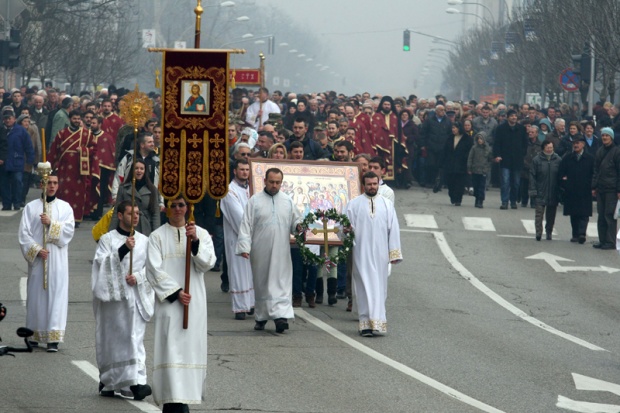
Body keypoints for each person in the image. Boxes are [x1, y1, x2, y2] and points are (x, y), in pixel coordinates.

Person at [146, 196, 216, 413]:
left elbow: (208, 263)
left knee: (190, 349)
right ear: (167, 208)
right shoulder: (157, 236)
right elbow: (153, 270)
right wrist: (176, 292)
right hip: (170, 302)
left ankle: (184, 398)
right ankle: (172, 400)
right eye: (173, 205)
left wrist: (194, 243)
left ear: (188, 207)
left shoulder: (200, 233)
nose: (177, 209)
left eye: (181, 205)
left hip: (193, 302)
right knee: (170, 349)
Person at [92, 201, 154, 400]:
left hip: (135, 297)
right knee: (114, 340)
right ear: (120, 216)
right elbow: (100, 264)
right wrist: (123, 249)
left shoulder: (144, 241)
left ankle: (137, 382)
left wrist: (139, 277)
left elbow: (151, 268)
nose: (135, 217)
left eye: (137, 213)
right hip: (114, 302)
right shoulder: (107, 239)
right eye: (130, 213)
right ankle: (109, 381)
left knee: (134, 338)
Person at [236, 168, 302, 333]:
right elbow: (246, 225)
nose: (274, 185)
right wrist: (244, 246)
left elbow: (296, 221)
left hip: (282, 250)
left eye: (278, 182)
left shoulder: (287, 201)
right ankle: (261, 317)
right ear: (265, 181)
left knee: (281, 282)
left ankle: (281, 318)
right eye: (271, 182)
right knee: (263, 283)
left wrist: (299, 227)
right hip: (261, 250)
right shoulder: (254, 201)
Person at [18, 173, 75, 352]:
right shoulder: (31, 207)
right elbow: (24, 234)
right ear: (42, 184)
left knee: (56, 295)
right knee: (36, 296)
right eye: (49, 182)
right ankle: (33, 334)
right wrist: (36, 250)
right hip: (38, 259)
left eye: (55, 183)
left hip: (57, 259)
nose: (52, 186)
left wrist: (51, 223)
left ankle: (53, 338)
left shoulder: (65, 208)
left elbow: (69, 231)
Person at [343, 171, 402, 337]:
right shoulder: (353, 205)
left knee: (379, 288)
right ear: (363, 185)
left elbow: (394, 229)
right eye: (369, 184)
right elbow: (343, 229)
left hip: (381, 255)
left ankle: (378, 322)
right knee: (363, 287)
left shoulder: (387, 205)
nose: (372, 187)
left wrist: (394, 253)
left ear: (378, 184)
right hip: (361, 253)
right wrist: (346, 231)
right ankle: (365, 324)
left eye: (375, 184)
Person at [220, 159, 255, 320]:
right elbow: (239, 218)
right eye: (242, 169)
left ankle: (251, 303)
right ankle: (240, 307)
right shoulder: (229, 191)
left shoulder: (252, 188)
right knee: (239, 272)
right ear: (235, 171)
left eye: (247, 169)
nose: (245, 172)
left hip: (253, 236)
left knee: (252, 272)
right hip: (237, 237)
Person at [48, 110, 96, 224]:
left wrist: (84, 150)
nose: (77, 121)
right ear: (70, 119)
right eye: (74, 119)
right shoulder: (62, 133)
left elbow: (94, 149)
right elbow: (54, 152)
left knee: (78, 194)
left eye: (78, 119)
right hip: (64, 169)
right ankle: (61, 218)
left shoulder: (87, 134)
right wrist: (49, 167)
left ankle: (76, 218)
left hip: (79, 170)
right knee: (63, 193)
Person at [559, 137, 595, 244]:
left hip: (585, 190)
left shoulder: (590, 158)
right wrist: (565, 183)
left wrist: (593, 186)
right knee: (573, 213)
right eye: (574, 143)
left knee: (584, 213)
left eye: (578, 143)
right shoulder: (567, 158)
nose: (575, 145)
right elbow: (561, 173)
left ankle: (582, 233)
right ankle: (575, 234)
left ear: (583, 144)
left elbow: (594, 173)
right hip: (571, 190)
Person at [110, 160, 160, 236]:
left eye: (142, 168)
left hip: (145, 228)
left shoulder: (152, 189)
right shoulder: (123, 188)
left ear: (145, 171)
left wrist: (156, 233)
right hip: (126, 225)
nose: (139, 171)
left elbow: (155, 213)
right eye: (136, 168)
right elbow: (117, 210)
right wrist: (111, 232)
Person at [591, 127, 620, 250]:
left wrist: (619, 190)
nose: (604, 137)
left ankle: (610, 241)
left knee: (609, 215)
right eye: (603, 135)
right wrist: (594, 186)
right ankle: (602, 240)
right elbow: (596, 170)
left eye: (607, 135)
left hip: (612, 189)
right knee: (601, 215)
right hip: (601, 188)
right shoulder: (600, 151)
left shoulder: (617, 152)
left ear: (611, 137)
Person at [1, 107, 34, 211]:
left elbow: (28, 146)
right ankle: (6, 204)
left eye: (9, 118)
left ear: (14, 119)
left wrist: (30, 160)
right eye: (5, 118)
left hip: (17, 161)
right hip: (3, 162)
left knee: (17, 182)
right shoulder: (1, 130)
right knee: (4, 184)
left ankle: (17, 203)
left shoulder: (21, 131)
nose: (7, 120)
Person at [493, 109, 528, 209]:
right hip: (505, 159)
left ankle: (513, 201)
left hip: (517, 160)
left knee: (516, 183)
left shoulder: (521, 128)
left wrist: (522, 153)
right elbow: (497, 143)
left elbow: (525, 143)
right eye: (512, 116)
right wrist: (497, 155)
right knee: (505, 181)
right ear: (508, 117)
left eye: (515, 116)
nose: (514, 117)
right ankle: (504, 201)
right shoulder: (501, 128)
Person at [529, 141, 561, 241]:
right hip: (540, 190)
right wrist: (533, 190)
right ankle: (538, 232)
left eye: (551, 147)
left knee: (551, 215)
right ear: (543, 148)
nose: (549, 149)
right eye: (548, 148)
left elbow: (561, 176)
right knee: (539, 214)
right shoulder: (536, 160)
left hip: (553, 191)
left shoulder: (558, 160)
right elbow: (532, 175)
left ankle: (549, 232)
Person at [442, 121, 473, 206]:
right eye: (452, 128)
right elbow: (445, 150)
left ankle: (458, 199)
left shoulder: (467, 138)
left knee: (460, 183)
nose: (453, 129)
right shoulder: (450, 138)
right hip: (450, 164)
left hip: (462, 164)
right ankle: (452, 196)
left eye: (455, 128)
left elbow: (470, 152)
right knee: (450, 182)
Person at [467, 132, 493, 208]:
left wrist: (487, 167)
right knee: (476, 185)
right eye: (478, 138)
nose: (479, 140)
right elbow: (470, 158)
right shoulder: (474, 148)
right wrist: (469, 167)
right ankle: (476, 198)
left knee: (482, 186)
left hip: (483, 170)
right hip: (475, 170)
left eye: (481, 139)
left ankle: (480, 200)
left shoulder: (488, 149)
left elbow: (490, 159)